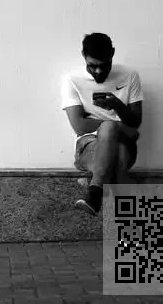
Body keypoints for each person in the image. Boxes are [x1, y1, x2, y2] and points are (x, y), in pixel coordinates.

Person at [61, 33, 143, 216]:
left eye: (104, 66)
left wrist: (117, 105)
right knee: (111, 132)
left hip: (124, 143)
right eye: (92, 66)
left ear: (112, 54)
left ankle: (95, 191)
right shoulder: (72, 80)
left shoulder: (130, 76)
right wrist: (117, 126)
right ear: (83, 56)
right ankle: (127, 213)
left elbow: (136, 121)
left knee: (114, 137)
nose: (98, 71)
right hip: (89, 146)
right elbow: (80, 126)